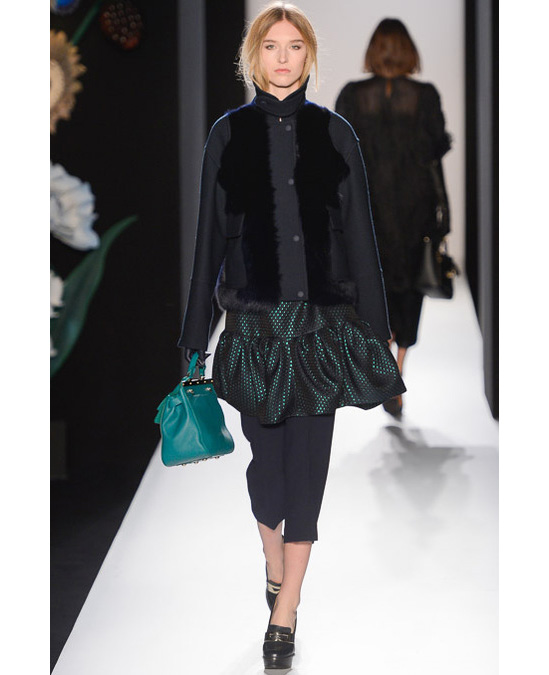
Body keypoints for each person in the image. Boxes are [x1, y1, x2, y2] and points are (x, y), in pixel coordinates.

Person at [178, 3, 405, 670]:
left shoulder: (335, 133)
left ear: (309, 56)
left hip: (319, 330)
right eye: (271, 46)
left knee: (306, 475)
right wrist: (194, 334)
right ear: (254, 57)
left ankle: (286, 611)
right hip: (254, 329)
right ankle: (273, 561)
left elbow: (359, 236)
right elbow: (209, 239)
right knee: (266, 476)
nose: (283, 58)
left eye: (294, 46)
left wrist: (377, 331)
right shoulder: (228, 135)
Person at [335, 18, 452, 417]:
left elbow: (338, 154)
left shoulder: (352, 96)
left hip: (367, 211)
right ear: (408, 51)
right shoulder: (425, 96)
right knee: (410, 291)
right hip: (414, 210)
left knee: (373, 288)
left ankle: (385, 366)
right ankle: (398, 370)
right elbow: (436, 150)